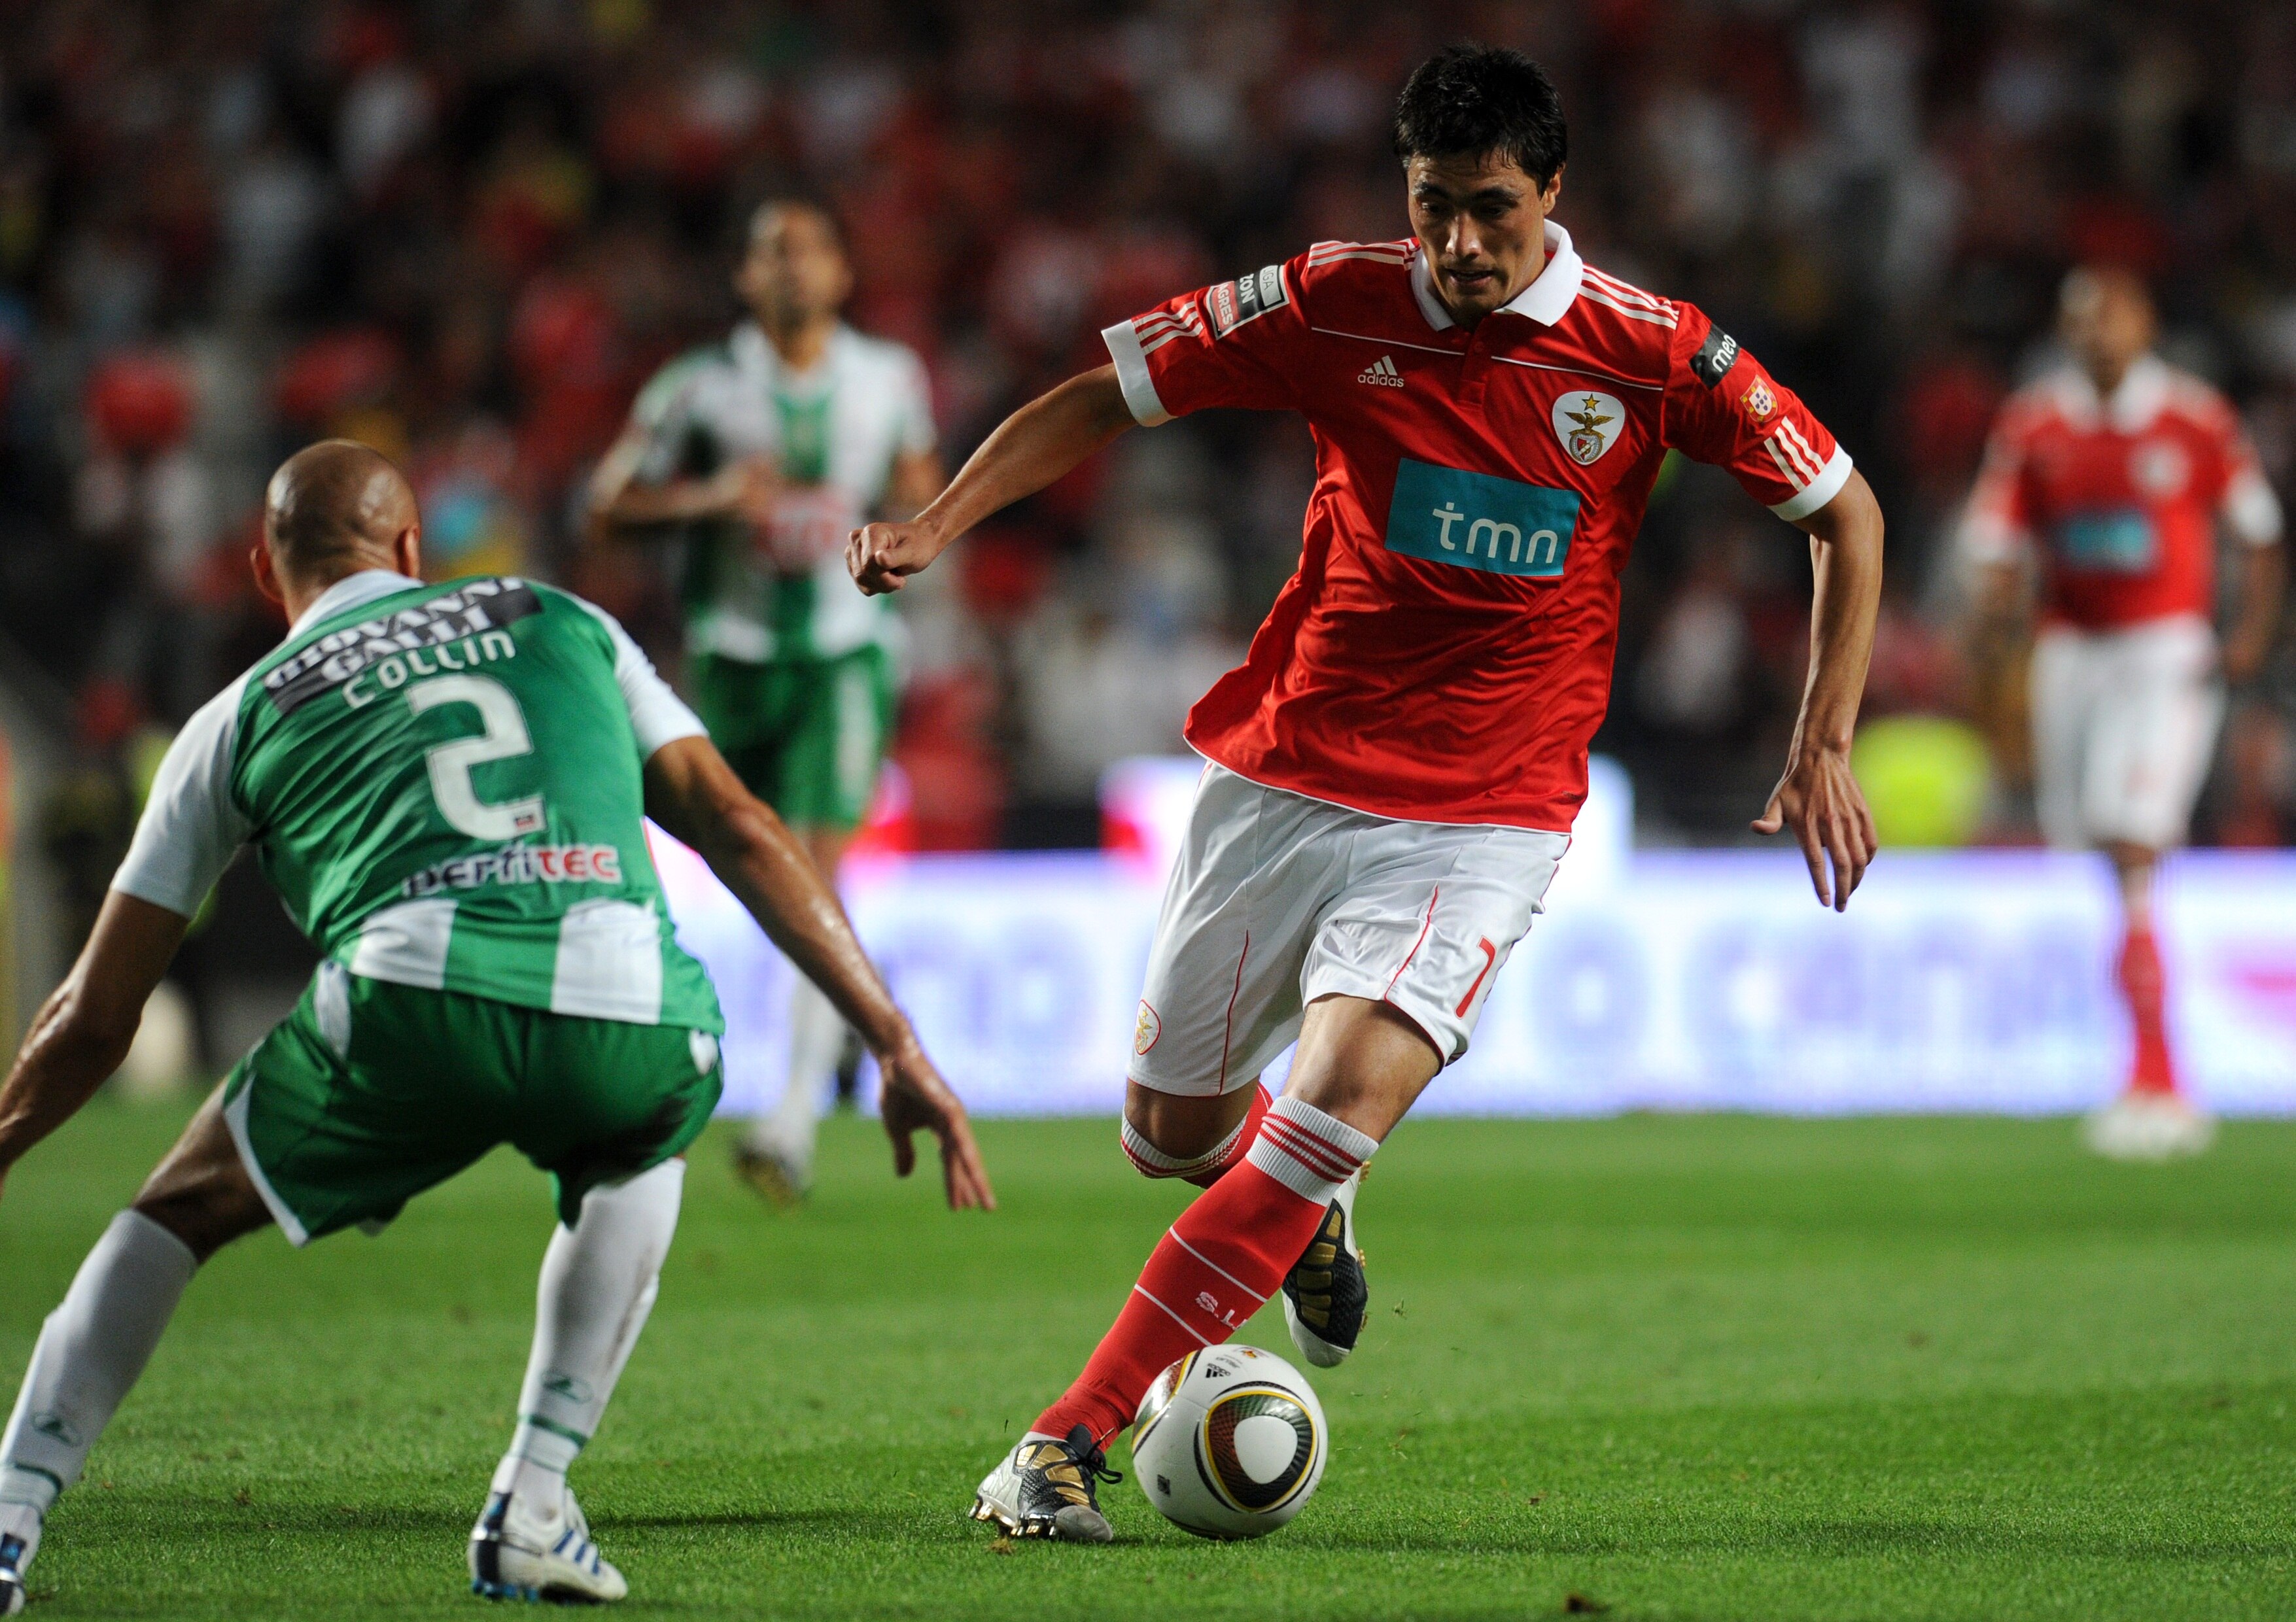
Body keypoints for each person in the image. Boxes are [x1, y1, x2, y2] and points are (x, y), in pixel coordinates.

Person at [848, 45, 1885, 1541]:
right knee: (1167, 1130)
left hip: (1488, 810)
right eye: (1432, 208)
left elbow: (1842, 508)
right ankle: (1309, 1210)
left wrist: (1825, 734)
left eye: (1490, 211)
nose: (1459, 245)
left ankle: (1062, 1440)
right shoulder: (1333, 296)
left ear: (1553, 195)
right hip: (1287, 771)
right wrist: (942, 520)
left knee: (1332, 1102)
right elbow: (1104, 396)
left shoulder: (1653, 351)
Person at [0, 442, 992, 1609]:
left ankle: (13, 1511)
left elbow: (92, 1018)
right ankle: (533, 1492)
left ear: (270, 579)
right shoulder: (565, 619)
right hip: (627, 1013)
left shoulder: (237, 714)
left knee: (176, 1211)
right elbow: (738, 824)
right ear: (414, 552)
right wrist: (891, 1036)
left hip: (408, 1003)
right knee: (647, 1121)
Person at [589, 198, 943, 1205]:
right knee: (750, 873)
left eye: (809, 251)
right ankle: (823, 1036)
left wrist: (908, 526)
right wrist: (707, 501)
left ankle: (787, 1119)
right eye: (770, 253)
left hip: (843, 652)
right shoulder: (697, 388)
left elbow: (923, 491)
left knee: (816, 874)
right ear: (744, 279)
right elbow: (607, 500)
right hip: (732, 656)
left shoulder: (888, 378)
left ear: (841, 273)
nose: (791, 269)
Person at [1962, 267, 2284, 1160]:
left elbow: (2255, 532)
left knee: (2132, 845)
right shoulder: (2034, 423)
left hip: (2161, 651)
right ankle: (2145, 1077)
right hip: (2069, 653)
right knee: (2106, 855)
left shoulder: (2194, 418)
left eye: (2109, 319)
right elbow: (1996, 539)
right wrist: (1992, 618)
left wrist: (2249, 634)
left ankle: (2161, 1076)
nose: (2094, 336)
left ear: (2143, 323)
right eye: (2079, 322)